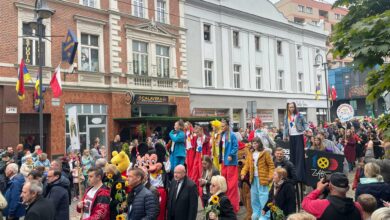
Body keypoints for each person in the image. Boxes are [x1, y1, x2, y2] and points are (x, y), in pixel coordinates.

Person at [241, 137, 275, 219]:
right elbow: (247, 165)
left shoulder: (265, 153)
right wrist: (243, 173)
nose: (254, 145)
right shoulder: (251, 153)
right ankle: (256, 213)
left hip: (262, 179)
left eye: (256, 143)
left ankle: (265, 215)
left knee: (263, 197)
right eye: (253, 143)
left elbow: (271, 165)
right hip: (253, 179)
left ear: (259, 143)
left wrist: (270, 176)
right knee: (254, 198)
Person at [283, 102, 308, 182]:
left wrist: (306, 130)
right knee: (293, 155)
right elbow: (286, 127)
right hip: (291, 136)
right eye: (290, 107)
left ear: (295, 107)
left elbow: (305, 123)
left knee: (299, 155)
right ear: (288, 108)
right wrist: (285, 136)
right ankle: (293, 174)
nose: (291, 109)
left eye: (293, 107)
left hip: (299, 135)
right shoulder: (287, 116)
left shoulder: (299, 115)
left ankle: (300, 174)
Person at [219, 119, 240, 213]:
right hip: (223, 162)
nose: (222, 128)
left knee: (231, 185)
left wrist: (231, 155)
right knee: (224, 184)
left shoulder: (232, 135)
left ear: (227, 126)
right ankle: (226, 204)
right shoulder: (221, 135)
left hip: (230, 162)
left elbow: (236, 146)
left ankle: (233, 207)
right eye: (221, 126)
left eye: (223, 126)